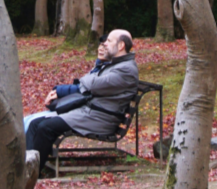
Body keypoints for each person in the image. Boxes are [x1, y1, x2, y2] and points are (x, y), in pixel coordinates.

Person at [25, 29, 138, 172]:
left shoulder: (126, 70)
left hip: (100, 119)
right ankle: (28, 168)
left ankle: (33, 173)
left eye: (109, 41)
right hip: (90, 112)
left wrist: (89, 81)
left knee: (45, 127)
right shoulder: (116, 64)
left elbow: (91, 84)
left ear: (121, 45)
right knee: (36, 124)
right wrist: (89, 81)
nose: (105, 45)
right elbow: (90, 82)